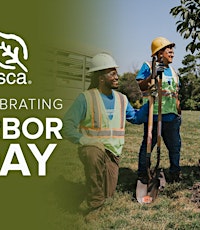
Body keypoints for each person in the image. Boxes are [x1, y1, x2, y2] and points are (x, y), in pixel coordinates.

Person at [63, 53, 147, 212]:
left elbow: (135, 118)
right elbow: (65, 126)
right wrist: (84, 140)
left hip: (113, 152)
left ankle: (94, 190)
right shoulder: (85, 99)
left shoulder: (122, 99)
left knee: (107, 193)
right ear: (101, 78)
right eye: (113, 73)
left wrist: (150, 104)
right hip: (92, 148)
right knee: (94, 157)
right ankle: (94, 206)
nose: (117, 77)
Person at [135, 37, 182, 183]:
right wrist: (153, 74)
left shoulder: (173, 71)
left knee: (175, 147)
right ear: (159, 53)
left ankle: (175, 172)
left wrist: (179, 111)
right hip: (154, 115)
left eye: (172, 50)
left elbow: (176, 93)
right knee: (148, 145)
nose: (172, 53)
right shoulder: (148, 66)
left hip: (171, 117)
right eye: (169, 50)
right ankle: (143, 173)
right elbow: (141, 86)